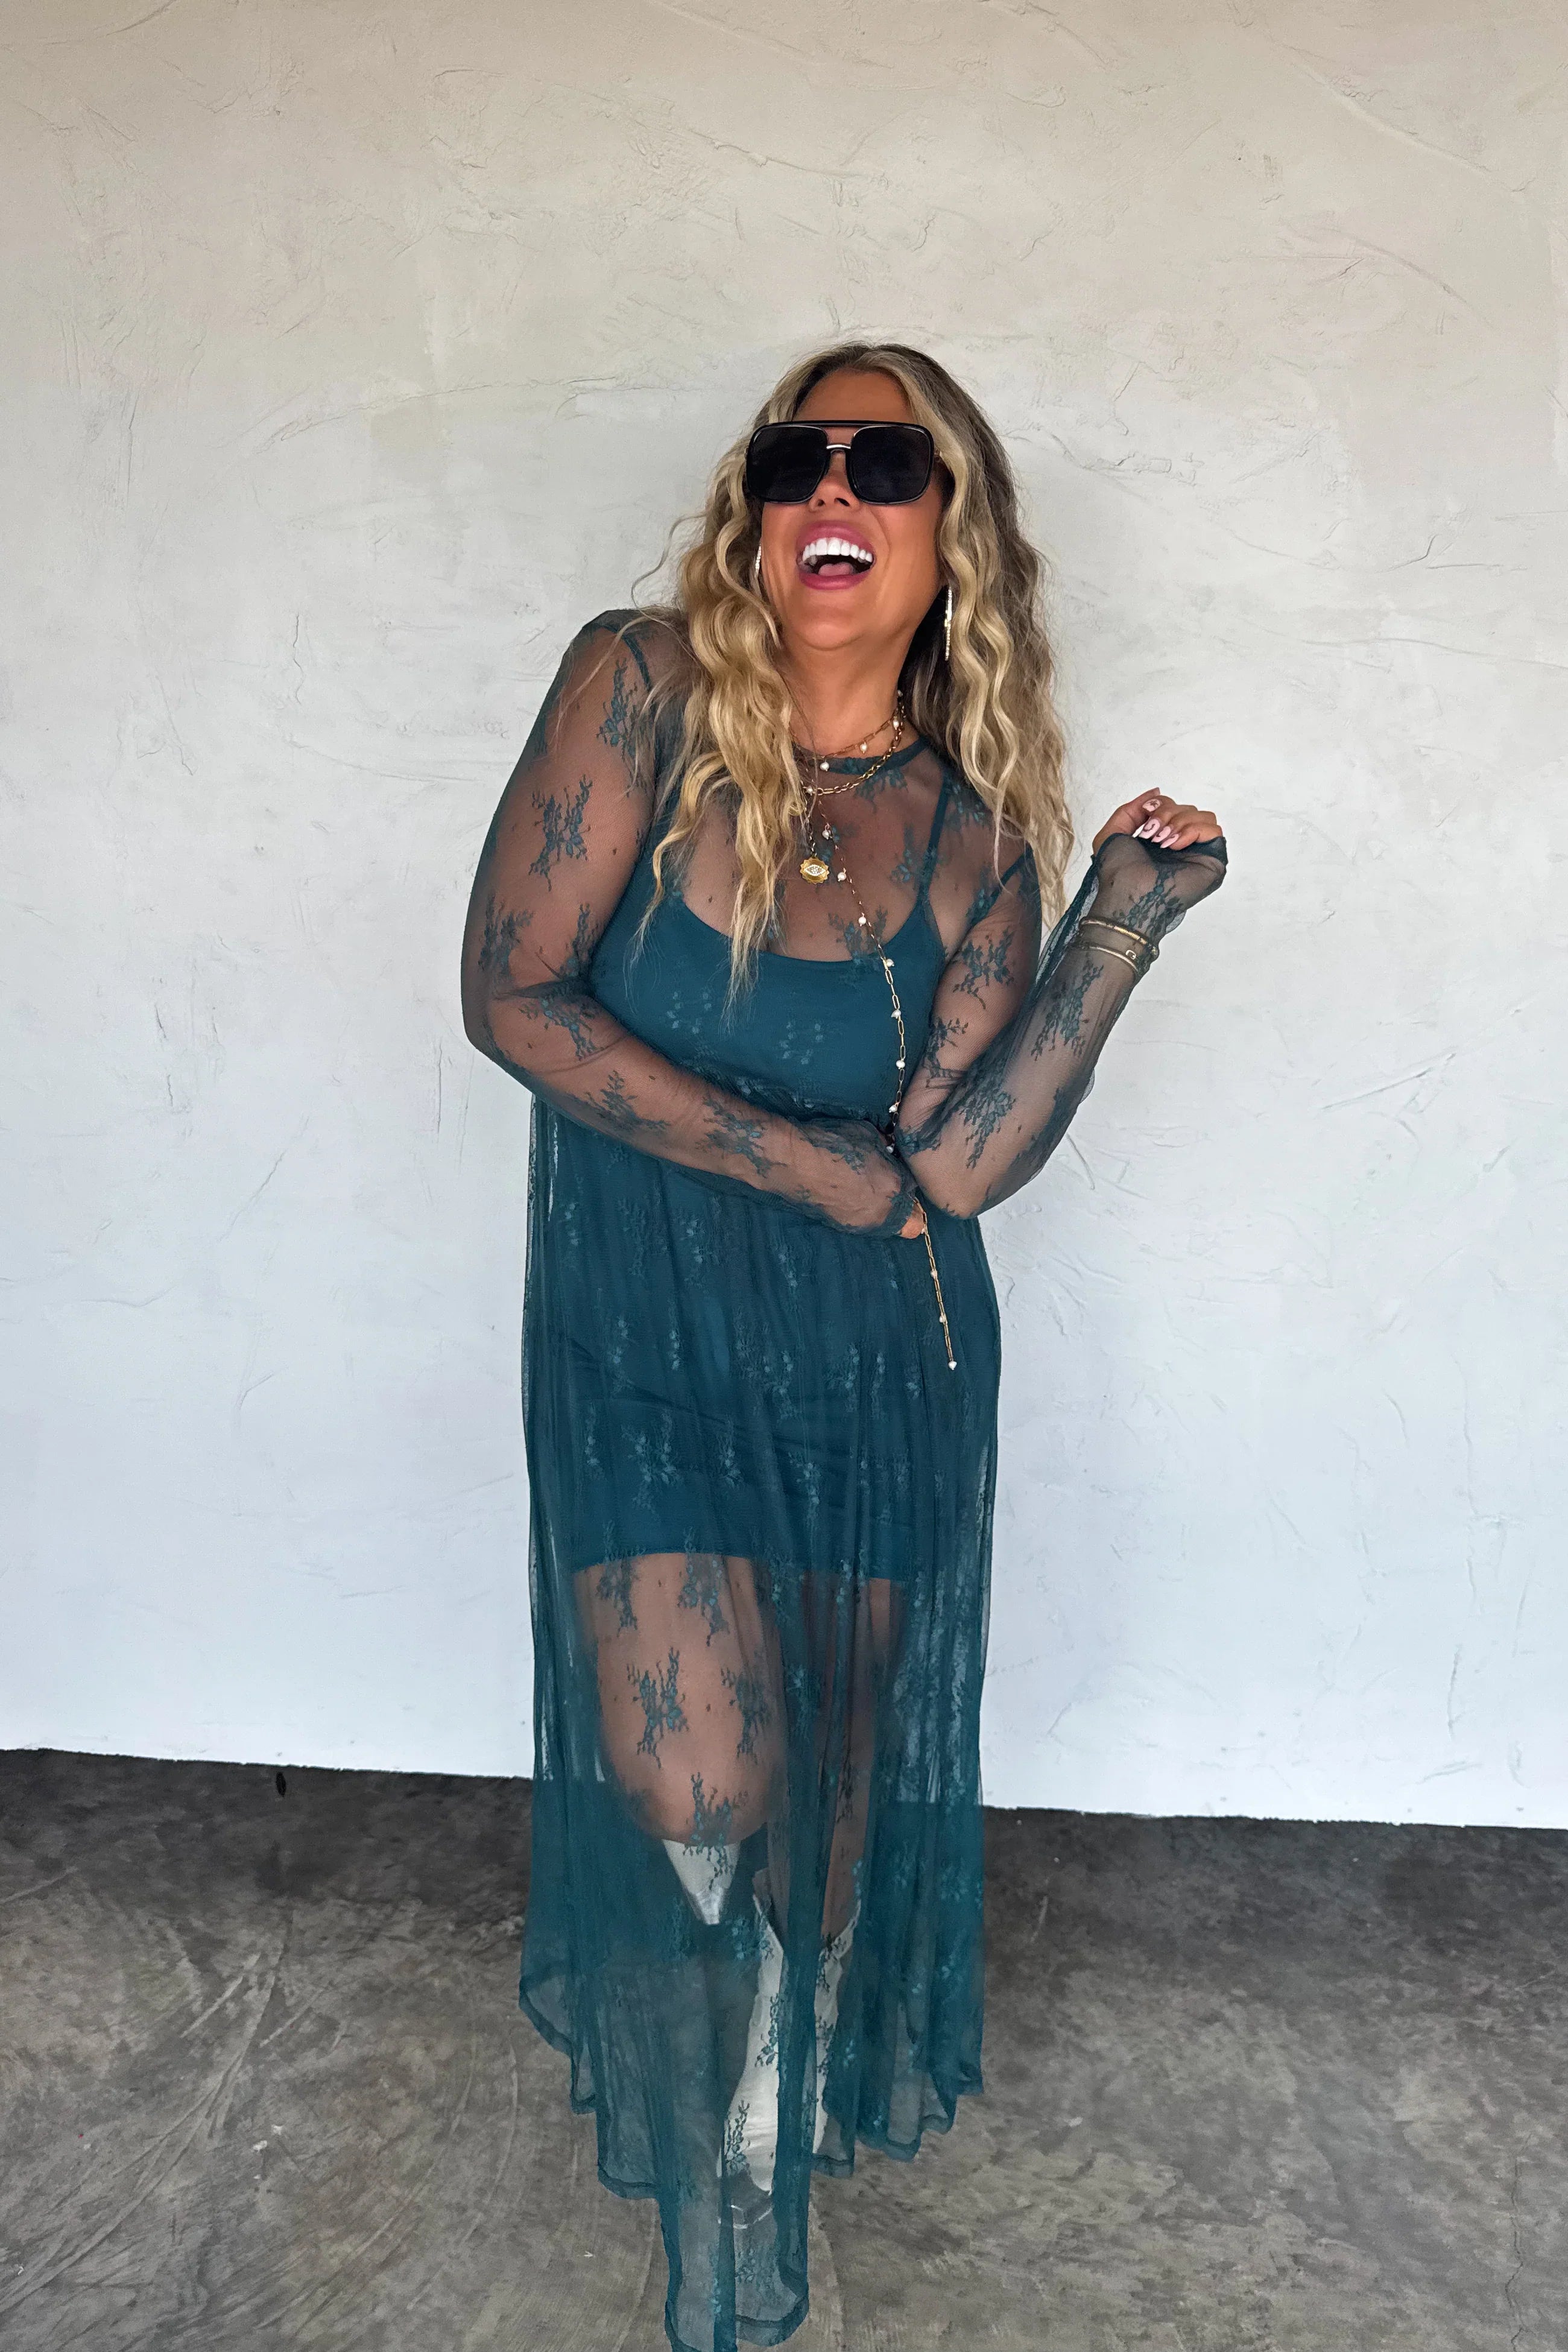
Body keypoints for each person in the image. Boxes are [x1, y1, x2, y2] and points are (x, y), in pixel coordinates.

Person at [460, 339, 1226, 2352]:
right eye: (797, 454)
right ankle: (745, 2015)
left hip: (878, 1371)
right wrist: (808, 1167)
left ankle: (780, 2039)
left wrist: (1118, 929)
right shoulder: (639, 691)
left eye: (888, 464)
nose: (832, 488)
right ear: (755, 507)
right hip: (638, 1334)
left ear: (953, 536)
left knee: (830, 1771)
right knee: (696, 1772)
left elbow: (956, 1165)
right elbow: (515, 993)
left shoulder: (973, 844)